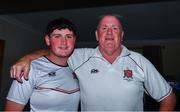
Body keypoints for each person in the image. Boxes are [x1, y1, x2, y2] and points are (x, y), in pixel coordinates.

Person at [9, 14, 176, 111]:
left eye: (115, 28)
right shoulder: (79, 57)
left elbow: (169, 98)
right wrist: (27, 58)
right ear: (97, 35)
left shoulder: (140, 61)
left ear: (122, 35)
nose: (109, 33)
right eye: (104, 28)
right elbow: (56, 51)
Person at [5, 17, 80, 111]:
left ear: (74, 40)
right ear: (48, 40)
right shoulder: (29, 68)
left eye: (69, 36)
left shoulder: (78, 65)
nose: (64, 42)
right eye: (57, 36)